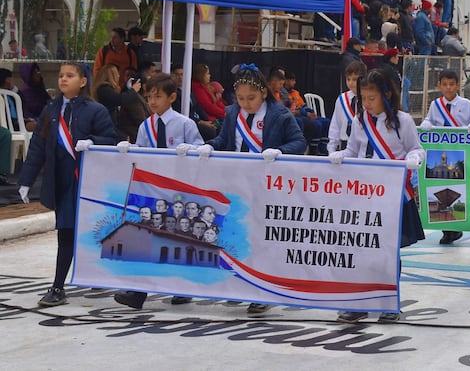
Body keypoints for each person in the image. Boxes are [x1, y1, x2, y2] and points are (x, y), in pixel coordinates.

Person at [206, 63, 306, 315]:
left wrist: (280, 152)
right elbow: (225, 141)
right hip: (236, 183)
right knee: (237, 234)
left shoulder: (279, 115)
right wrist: (209, 146)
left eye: (251, 98)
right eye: (240, 98)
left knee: (262, 237)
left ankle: (263, 290)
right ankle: (240, 284)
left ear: (263, 93)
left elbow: (299, 142)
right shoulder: (231, 114)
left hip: (266, 185)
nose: (246, 103)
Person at [329, 69, 425, 323]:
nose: (367, 103)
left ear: (386, 95)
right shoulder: (359, 120)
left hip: (393, 194)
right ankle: (358, 302)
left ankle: (389, 303)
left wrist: (414, 157)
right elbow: (353, 149)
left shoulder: (403, 121)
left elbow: (416, 149)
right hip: (363, 193)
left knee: (389, 252)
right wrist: (340, 156)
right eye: (364, 98)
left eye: (372, 98)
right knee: (360, 248)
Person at [18, 62, 117, 307]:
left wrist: (92, 141)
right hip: (61, 182)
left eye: (70, 75)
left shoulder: (96, 110)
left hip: (87, 181)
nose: (63, 79)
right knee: (66, 232)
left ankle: (92, 275)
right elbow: (38, 147)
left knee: (90, 230)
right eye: (61, 75)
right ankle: (58, 286)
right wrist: (26, 181)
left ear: (83, 81)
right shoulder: (51, 110)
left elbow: (111, 140)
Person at [112, 72, 205, 310]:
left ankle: (181, 288)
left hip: (179, 190)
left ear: (172, 97)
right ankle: (138, 293)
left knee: (179, 240)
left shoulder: (185, 123)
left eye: (158, 96)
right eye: (149, 96)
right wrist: (129, 149)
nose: (152, 101)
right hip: (155, 191)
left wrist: (191, 149)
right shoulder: (146, 125)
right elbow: (142, 153)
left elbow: (201, 149)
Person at [419, 70, 470, 245]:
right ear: (439, 86)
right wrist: (426, 123)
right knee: (439, 189)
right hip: (440, 153)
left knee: (457, 190)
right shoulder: (435, 104)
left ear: (458, 85)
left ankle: (455, 229)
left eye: (452, 84)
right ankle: (446, 230)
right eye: (444, 84)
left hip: (460, 154)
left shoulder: (466, 104)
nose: (448, 88)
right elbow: (429, 120)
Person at [329, 61, 368, 152]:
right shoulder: (342, 99)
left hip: (364, 144)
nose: (350, 83)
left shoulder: (368, 99)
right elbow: (336, 124)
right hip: (345, 143)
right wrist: (332, 147)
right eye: (348, 79)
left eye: (354, 79)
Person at [91, 64, 126, 140]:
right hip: (107, 126)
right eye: (117, 74)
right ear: (112, 76)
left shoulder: (100, 88)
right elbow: (119, 99)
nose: (119, 76)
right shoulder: (104, 89)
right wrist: (133, 91)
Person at [19, 62, 50, 132]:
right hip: (32, 118)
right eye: (35, 72)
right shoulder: (27, 91)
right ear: (29, 75)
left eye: (38, 71)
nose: (38, 74)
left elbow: (47, 100)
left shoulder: (39, 87)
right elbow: (35, 108)